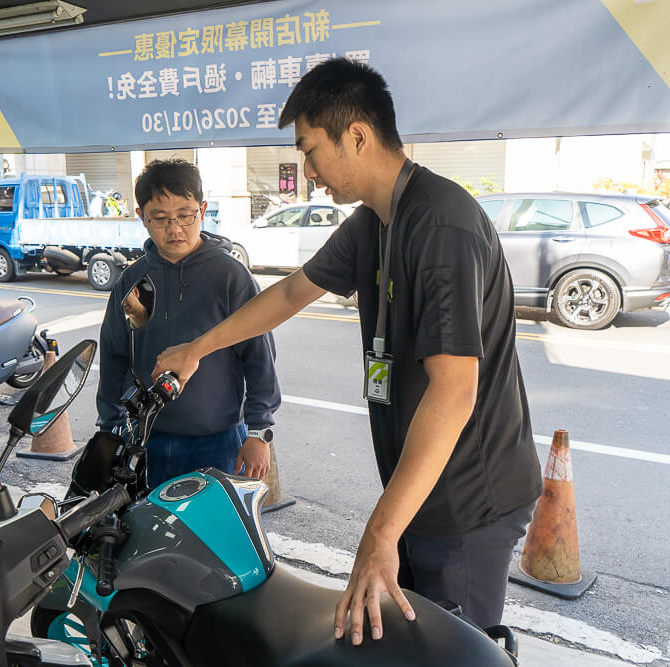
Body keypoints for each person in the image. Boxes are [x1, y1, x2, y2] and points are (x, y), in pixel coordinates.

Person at [153, 59, 542, 644]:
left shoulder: (441, 226)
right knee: (414, 644)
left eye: (310, 151)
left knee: (458, 650)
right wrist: (197, 349)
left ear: (356, 136)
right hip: (421, 493)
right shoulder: (374, 223)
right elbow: (289, 292)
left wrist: (379, 535)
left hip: (468, 502)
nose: (308, 172)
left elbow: (456, 392)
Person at [97, 159, 281, 487]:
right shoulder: (131, 280)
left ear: (203, 209)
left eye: (185, 215)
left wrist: (259, 432)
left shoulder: (231, 277)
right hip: (145, 441)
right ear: (142, 217)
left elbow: (259, 359)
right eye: (161, 218)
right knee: (149, 533)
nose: (175, 229)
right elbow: (114, 357)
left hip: (220, 441)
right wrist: (108, 430)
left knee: (216, 536)